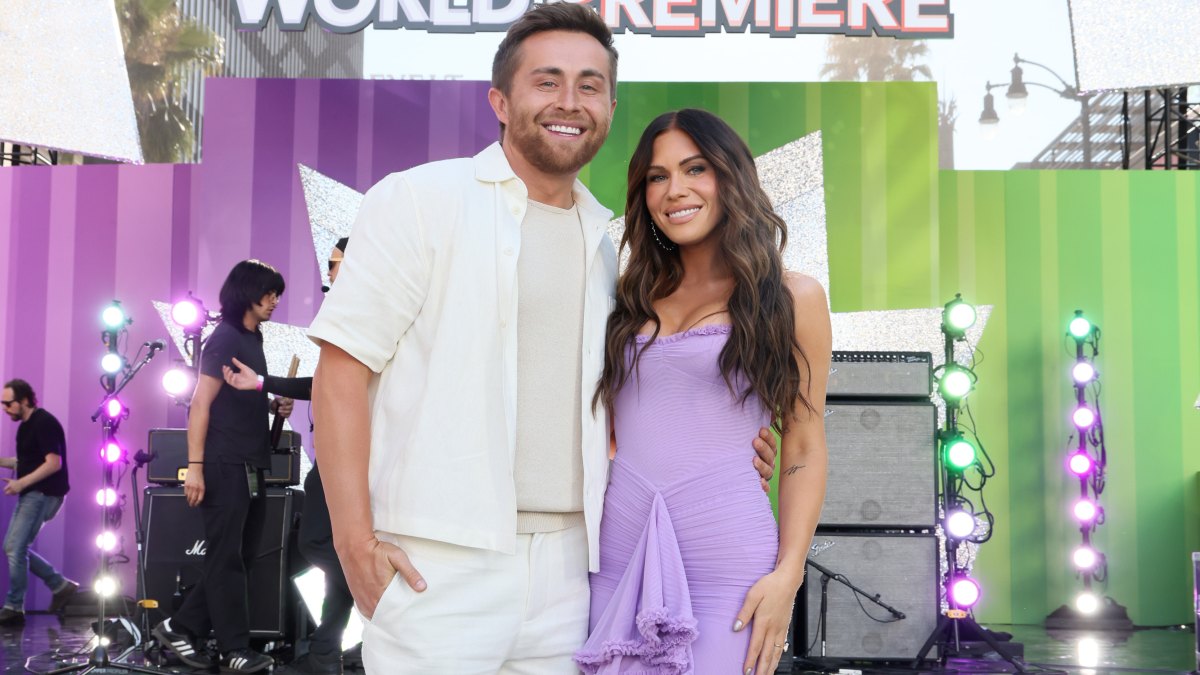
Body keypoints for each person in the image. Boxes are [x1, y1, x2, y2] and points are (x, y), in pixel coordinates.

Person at [306, 4, 777, 672]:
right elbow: (341, 373)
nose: (569, 102)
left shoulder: (606, 248)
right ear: (500, 101)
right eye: (547, 81)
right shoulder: (421, 199)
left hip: (573, 570)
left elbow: (619, 405)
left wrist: (724, 445)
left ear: (610, 109)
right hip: (437, 563)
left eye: (590, 85)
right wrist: (354, 542)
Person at [575, 109, 831, 674]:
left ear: (730, 175)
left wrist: (788, 575)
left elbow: (805, 445)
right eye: (657, 176)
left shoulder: (793, 298)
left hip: (728, 561)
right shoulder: (624, 297)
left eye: (695, 169)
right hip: (618, 552)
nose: (675, 190)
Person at [152, 260, 311, 673]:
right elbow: (200, 404)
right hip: (224, 463)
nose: (275, 301)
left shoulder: (251, 336)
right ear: (247, 292)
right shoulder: (224, 337)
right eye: (269, 293)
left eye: (277, 294)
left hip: (251, 462)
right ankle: (234, 649)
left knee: (240, 555)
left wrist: (271, 403)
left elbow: (238, 395)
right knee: (226, 559)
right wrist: (196, 466)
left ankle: (179, 627)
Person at [223, 239, 351, 675]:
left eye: (334, 264)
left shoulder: (360, 317)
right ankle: (325, 653)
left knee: (318, 545)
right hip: (338, 451)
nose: (327, 273)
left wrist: (262, 382)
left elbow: (323, 385)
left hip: (346, 454)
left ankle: (382, 593)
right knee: (334, 551)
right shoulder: (345, 315)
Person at [0, 379, 78, 626]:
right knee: (14, 547)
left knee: (15, 548)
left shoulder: (44, 423)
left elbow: (54, 463)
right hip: (33, 494)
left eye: (8, 403)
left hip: (43, 494)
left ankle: (14, 607)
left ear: (24, 400)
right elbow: (27, 461)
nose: (4, 408)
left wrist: (20, 483)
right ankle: (60, 585)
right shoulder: (26, 427)